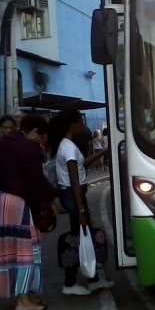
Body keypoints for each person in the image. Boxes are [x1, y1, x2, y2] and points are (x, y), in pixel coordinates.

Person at [0, 114, 57, 310]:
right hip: (16, 202)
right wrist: (53, 197)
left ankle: (22, 295)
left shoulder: (1, 143)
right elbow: (35, 180)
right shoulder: (28, 147)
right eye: (41, 137)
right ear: (34, 132)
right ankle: (23, 302)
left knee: (8, 250)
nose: (41, 142)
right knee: (24, 251)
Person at [48, 109, 111, 295]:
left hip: (73, 194)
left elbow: (82, 165)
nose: (83, 125)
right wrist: (82, 209)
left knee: (85, 236)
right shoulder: (68, 146)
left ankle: (93, 279)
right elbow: (74, 179)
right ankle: (70, 282)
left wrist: (105, 152)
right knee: (76, 238)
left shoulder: (67, 145)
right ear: (73, 124)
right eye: (80, 122)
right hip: (72, 194)